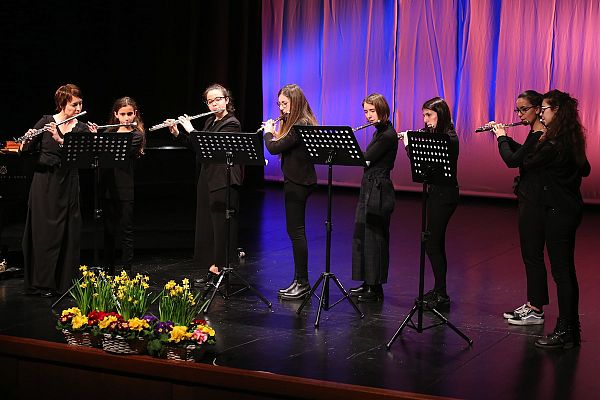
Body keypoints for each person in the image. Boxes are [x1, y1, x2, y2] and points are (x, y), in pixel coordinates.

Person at [516, 90, 589, 349]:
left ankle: (566, 329)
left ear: (556, 111)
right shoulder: (571, 138)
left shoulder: (553, 143)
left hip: (558, 212)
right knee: (565, 272)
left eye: (544, 109)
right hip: (570, 208)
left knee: (562, 273)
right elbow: (586, 169)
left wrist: (503, 137)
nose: (542, 114)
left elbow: (525, 162)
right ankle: (571, 329)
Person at [20, 84, 95, 297]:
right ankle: (42, 283)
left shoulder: (81, 128)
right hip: (44, 184)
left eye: (80, 103)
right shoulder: (46, 122)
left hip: (68, 182)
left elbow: (83, 159)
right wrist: (26, 140)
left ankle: (64, 282)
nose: (79, 108)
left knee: (68, 231)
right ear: (62, 104)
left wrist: (61, 140)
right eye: (74, 104)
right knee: (44, 233)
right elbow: (25, 151)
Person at [166, 84, 243, 286]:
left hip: (224, 180)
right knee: (208, 227)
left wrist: (191, 129)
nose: (214, 104)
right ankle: (213, 267)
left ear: (227, 100)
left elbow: (211, 147)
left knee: (221, 227)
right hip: (208, 178)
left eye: (218, 99)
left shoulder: (232, 123)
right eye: (210, 101)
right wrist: (178, 133)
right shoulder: (210, 121)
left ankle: (221, 269)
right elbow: (198, 147)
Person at [489, 90, 549, 325]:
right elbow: (523, 152)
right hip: (530, 199)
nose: (520, 114)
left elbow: (513, 160)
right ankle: (534, 303)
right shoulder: (534, 134)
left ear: (538, 109)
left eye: (524, 109)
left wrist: (501, 137)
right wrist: (502, 136)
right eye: (518, 110)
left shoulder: (540, 134)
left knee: (532, 255)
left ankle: (536, 309)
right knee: (530, 254)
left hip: (535, 201)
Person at [400, 97, 459, 309]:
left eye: (429, 115)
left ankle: (442, 294)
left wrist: (409, 144)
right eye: (424, 115)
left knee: (432, 243)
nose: (425, 120)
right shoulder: (436, 135)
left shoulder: (449, 138)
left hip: (446, 195)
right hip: (435, 193)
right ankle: (439, 290)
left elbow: (424, 162)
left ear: (440, 115)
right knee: (435, 242)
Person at [263, 84, 317, 300]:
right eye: (279, 104)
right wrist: (277, 132)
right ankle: (298, 280)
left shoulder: (301, 123)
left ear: (295, 102)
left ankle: (303, 283)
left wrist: (268, 133)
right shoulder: (295, 122)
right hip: (296, 180)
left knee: (296, 232)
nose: (281, 108)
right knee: (294, 231)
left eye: (285, 104)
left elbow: (274, 148)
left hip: (299, 182)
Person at [349, 93, 398, 302]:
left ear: (382, 110)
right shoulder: (379, 131)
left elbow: (367, 158)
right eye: (366, 111)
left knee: (375, 238)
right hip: (369, 185)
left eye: (372, 111)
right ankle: (368, 282)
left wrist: (348, 145)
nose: (368, 116)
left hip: (379, 189)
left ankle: (375, 288)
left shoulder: (387, 134)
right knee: (364, 235)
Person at [100, 97, 145, 274]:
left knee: (126, 230)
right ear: (116, 115)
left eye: (129, 114)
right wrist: (96, 136)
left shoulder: (136, 135)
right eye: (123, 114)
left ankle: (127, 270)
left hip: (125, 187)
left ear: (135, 114)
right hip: (108, 186)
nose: (126, 118)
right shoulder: (108, 133)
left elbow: (120, 151)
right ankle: (108, 270)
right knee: (108, 231)